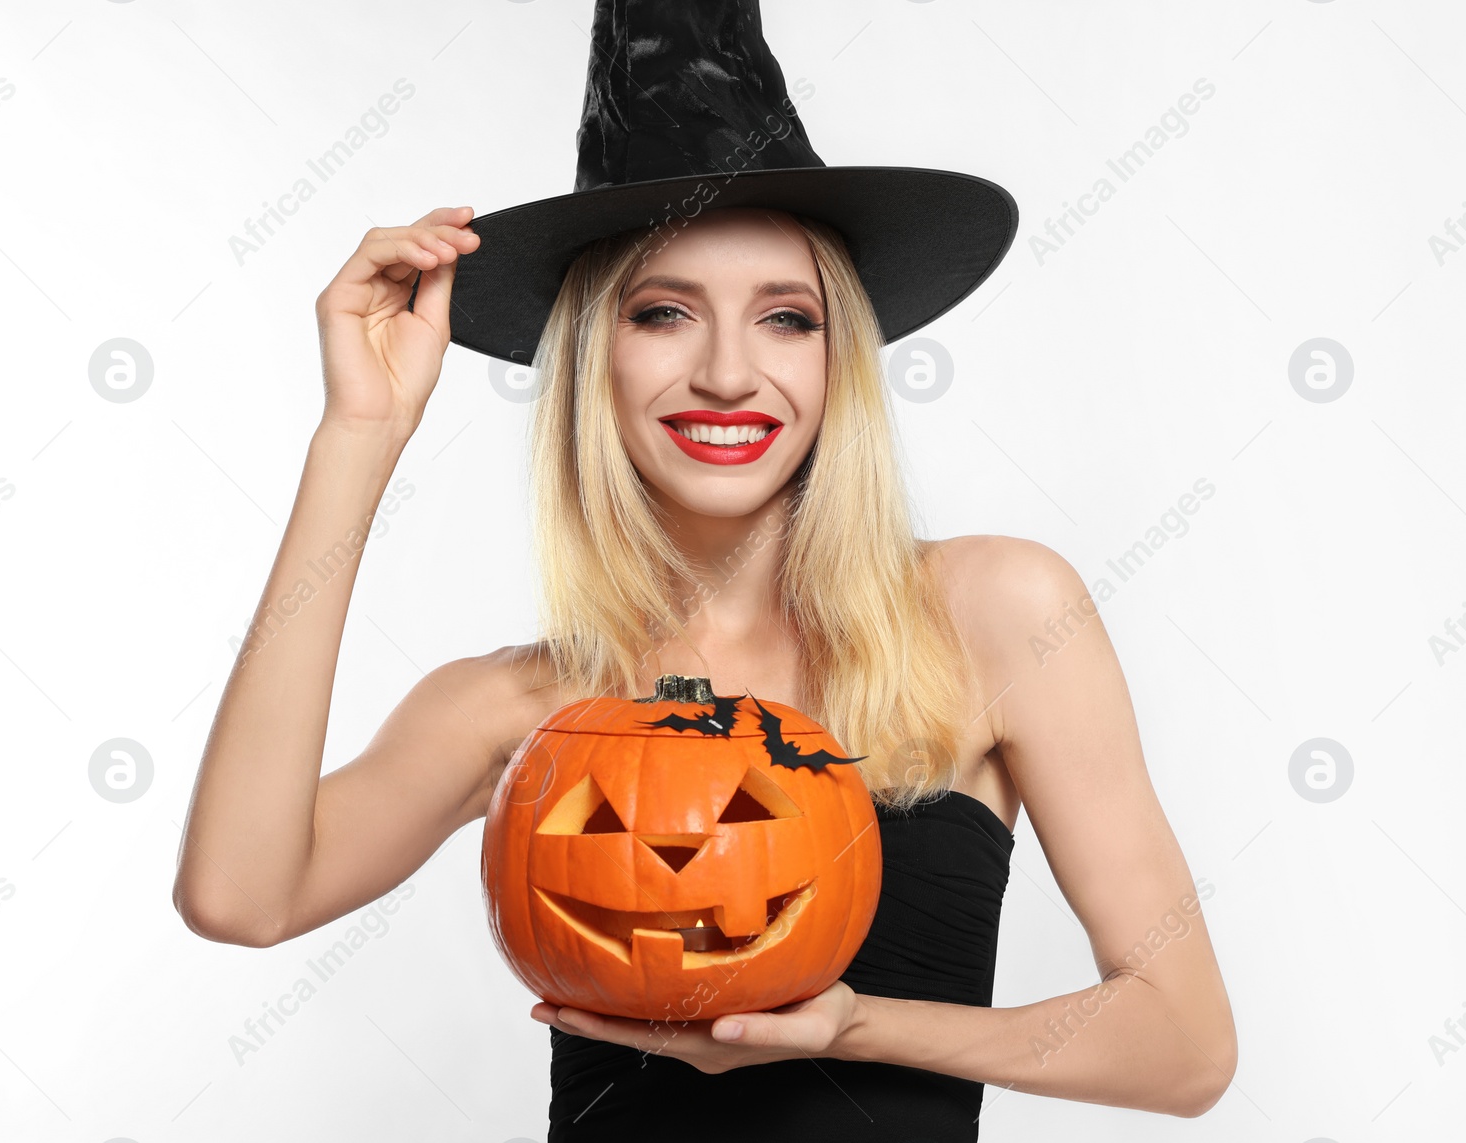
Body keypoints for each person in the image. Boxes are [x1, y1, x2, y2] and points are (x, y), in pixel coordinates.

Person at [173, 3, 1236, 1139]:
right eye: (664, 312)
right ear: (592, 354)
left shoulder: (993, 612)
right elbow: (240, 897)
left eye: (786, 319)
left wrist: (855, 1025)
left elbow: (1179, 1048)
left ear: (841, 362)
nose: (729, 373)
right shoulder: (518, 705)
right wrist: (359, 437)